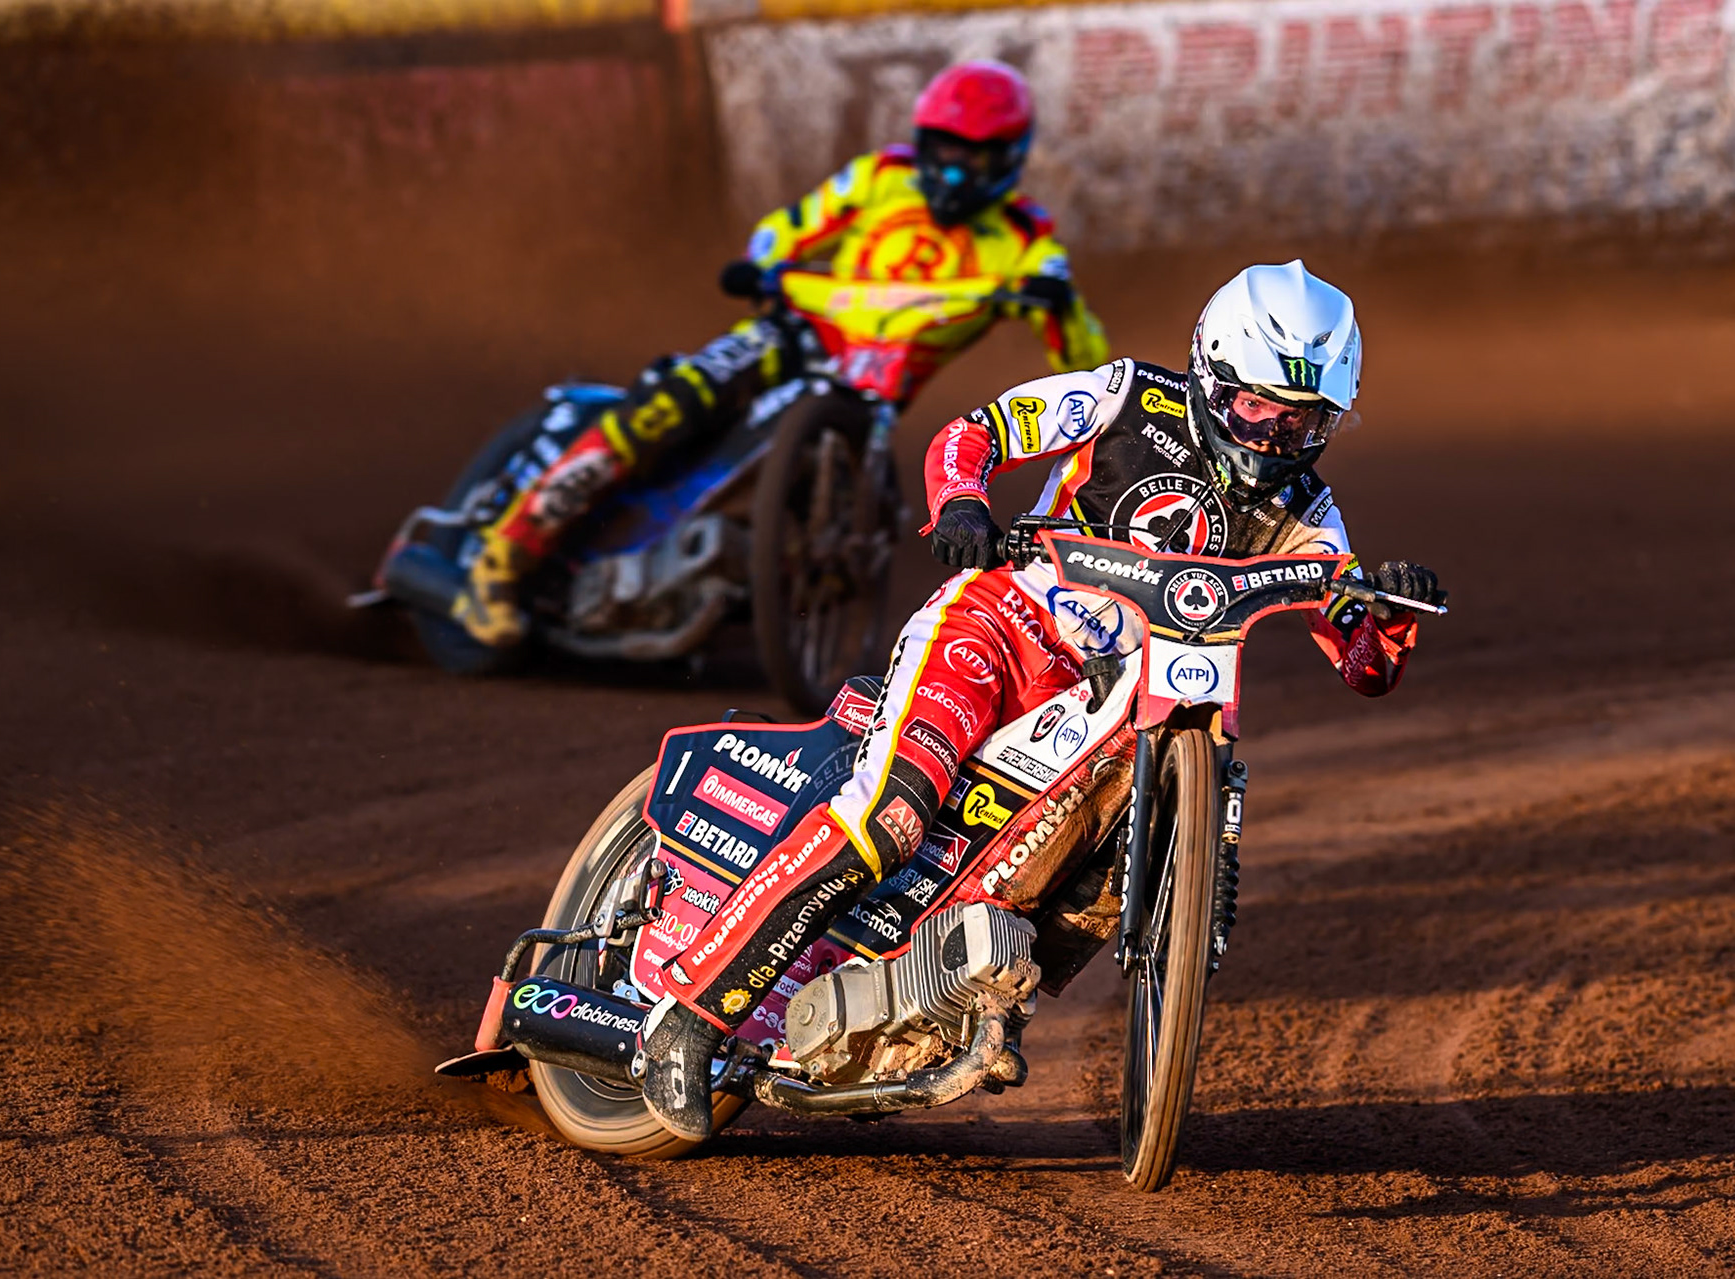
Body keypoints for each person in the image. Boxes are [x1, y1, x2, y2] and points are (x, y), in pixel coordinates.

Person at [639, 259, 1447, 1140]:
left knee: (1092, 881)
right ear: (1212, 374)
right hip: (997, 627)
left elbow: (1362, 665)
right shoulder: (1126, 396)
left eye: (1304, 420)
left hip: (1108, 706)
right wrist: (960, 506)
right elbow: (974, 432)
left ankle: (943, 1001)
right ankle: (689, 1014)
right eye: (1259, 405)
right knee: (892, 820)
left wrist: (1386, 613)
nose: (1275, 436)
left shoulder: (1309, 511)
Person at [452, 60, 1111, 646]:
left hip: (877, 390)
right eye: (942, 150)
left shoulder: (1029, 238)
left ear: (1009, 157)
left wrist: (1059, 306)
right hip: (799, 333)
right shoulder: (883, 178)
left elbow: (1083, 360)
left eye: (974, 157)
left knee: (876, 500)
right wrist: (759, 266)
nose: (952, 171)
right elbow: (786, 229)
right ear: (921, 141)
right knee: (675, 401)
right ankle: (503, 559)